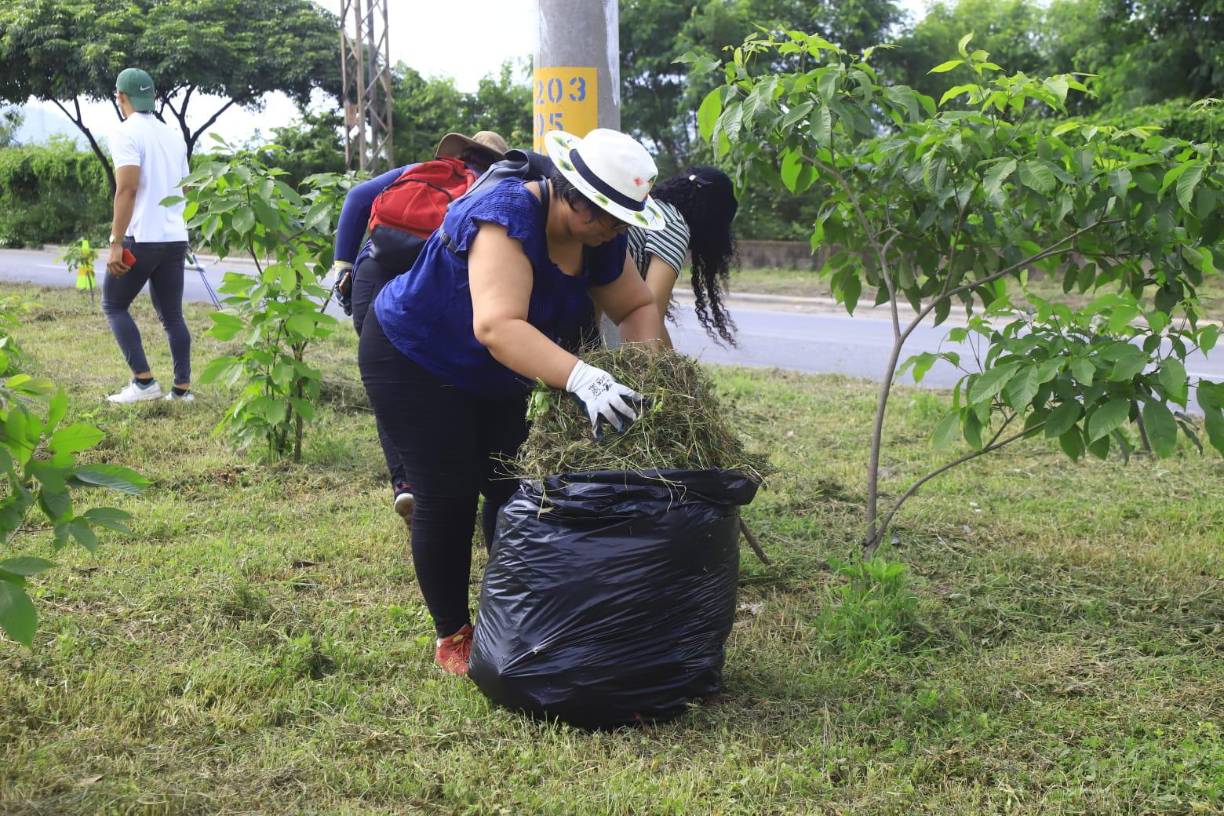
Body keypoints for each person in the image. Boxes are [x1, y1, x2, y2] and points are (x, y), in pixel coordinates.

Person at [359, 128, 667, 675]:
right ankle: (453, 634)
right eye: (603, 217)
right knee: (447, 495)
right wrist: (585, 379)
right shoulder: (505, 214)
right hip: (416, 357)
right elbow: (498, 326)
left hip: (503, 369)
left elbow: (637, 307)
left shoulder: (601, 235)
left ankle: (509, 615)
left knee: (515, 487)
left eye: (622, 221)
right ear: (570, 190)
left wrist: (654, 380)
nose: (611, 231)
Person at [330, 131, 509, 522]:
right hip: (431, 292)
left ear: (459, 153)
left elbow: (357, 198)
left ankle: (407, 485)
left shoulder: (419, 172)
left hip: (373, 276)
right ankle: (452, 482)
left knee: (389, 386)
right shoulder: (498, 191)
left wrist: (343, 264)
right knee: (442, 381)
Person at [102, 67, 193, 403]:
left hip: (142, 238)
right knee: (172, 315)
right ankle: (181, 389)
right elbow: (184, 189)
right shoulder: (173, 134)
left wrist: (115, 243)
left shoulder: (126, 133)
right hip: (174, 237)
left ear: (120, 97)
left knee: (113, 304)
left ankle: (143, 383)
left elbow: (127, 190)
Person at [626, 166, 740, 347]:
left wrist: (675, 367)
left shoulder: (652, 208)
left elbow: (646, 314)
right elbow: (649, 320)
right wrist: (674, 372)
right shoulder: (672, 226)